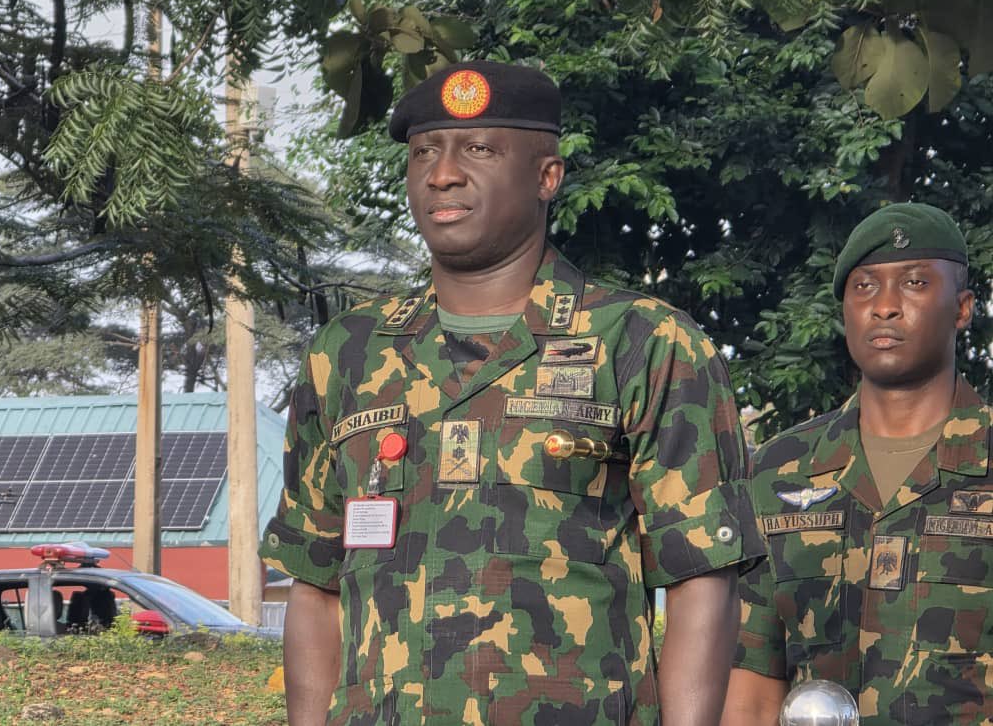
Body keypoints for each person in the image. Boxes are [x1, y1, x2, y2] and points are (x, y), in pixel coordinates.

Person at [260, 60, 762, 726]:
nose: (442, 173)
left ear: (546, 176)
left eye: (479, 150)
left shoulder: (643, 342)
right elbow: (317, 585)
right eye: (424, 153)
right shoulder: (348, 354)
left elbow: (702, 578)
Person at [722, 203, 992, 726]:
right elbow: (751, 682)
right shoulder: (780, 471)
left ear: (962, 309)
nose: (884, 307)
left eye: (914, 283)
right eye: (864, 287)